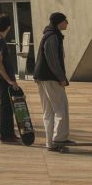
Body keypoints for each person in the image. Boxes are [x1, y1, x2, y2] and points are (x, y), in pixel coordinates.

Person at [35, 12, 72, 151]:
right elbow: (53, 60)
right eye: (65, 20)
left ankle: (50, 142)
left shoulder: (50, 34)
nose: (67, 23)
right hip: (51, 78)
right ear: (59, 23)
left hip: (43, 77)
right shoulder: (52, 36)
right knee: (60, 108)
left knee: (49, 111)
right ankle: (59, 139)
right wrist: (61, 78)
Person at [0, 13, 22, 144]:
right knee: (5, 106)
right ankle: (5, 135)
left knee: (9, 106)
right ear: (9, 26)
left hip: (2, 77)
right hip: (2, 78)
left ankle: (9, 133)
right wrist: (9, 80)